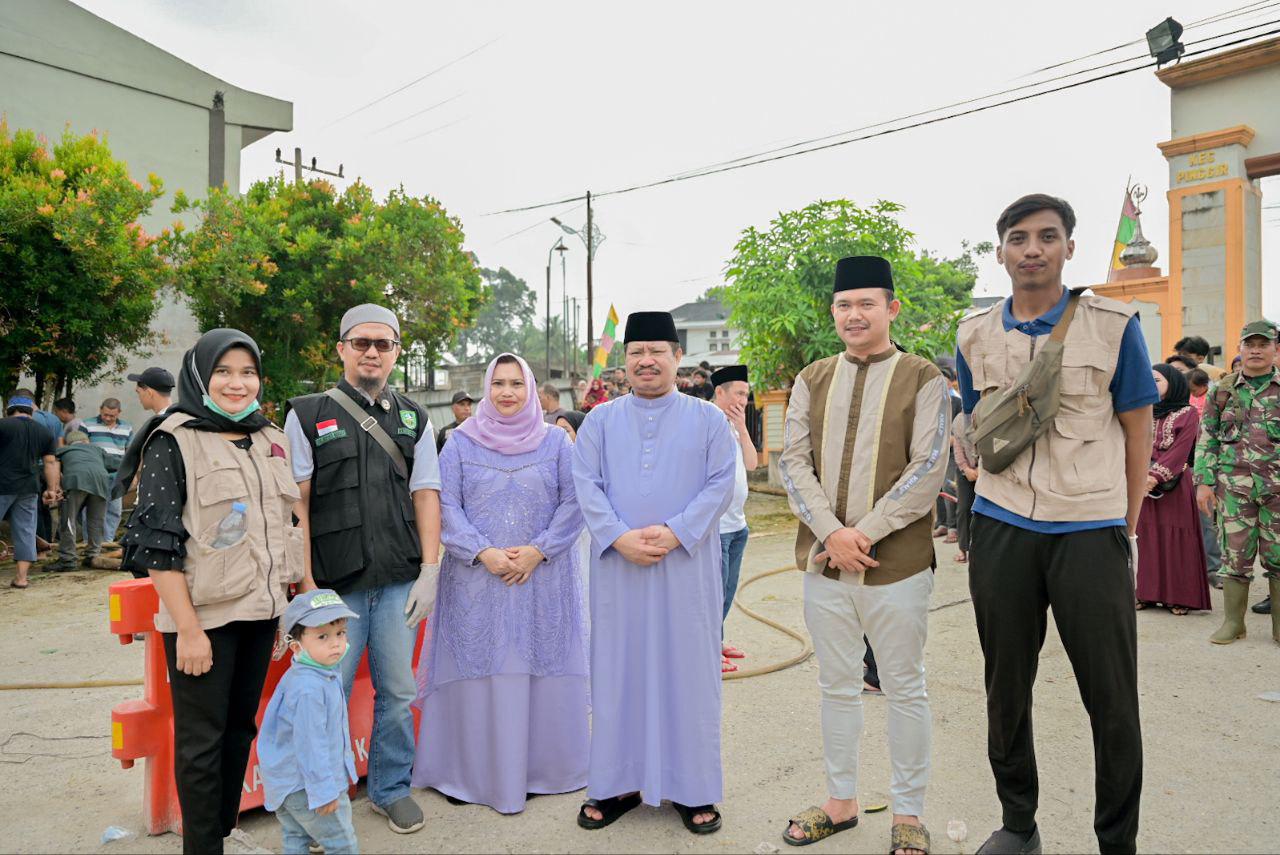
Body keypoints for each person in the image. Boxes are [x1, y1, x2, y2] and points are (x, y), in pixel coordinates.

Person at [955, 194, 1156, 855]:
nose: (1032, 248)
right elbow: (974, 419)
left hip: (1089, 527)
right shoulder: (974, 333)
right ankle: (1018, 823)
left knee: (1112, 696)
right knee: (1004, 685)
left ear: (1070, 247)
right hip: (1003, 523)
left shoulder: (1113, 323)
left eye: (1047, 236)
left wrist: (1122, 526)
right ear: (1002, 253)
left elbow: (1136, 430)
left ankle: (1116, 840)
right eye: (1019, 237)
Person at [778, 256, 948, 855]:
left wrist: (863, 533)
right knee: (837, 685)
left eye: (866, 304)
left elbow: (928, 468)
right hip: (825, 561)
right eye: (845, 305)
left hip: (895, 566)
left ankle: (909, 811)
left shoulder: (923, 376)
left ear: (891, 308)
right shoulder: (812, 377)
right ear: (834, 311)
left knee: (904, 686)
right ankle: (841, 801)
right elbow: (792, 463)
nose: (854, 314)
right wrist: (832, 534)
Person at [118, 329, 303, 854]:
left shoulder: (271, 439)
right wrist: (191, 632)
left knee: (240, 731)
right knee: (202, 744)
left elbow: (284, 524)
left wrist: (287, 607)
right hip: (202, 623)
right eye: (223, 371)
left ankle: (219, 833)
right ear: (201, 376)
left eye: (247, 372)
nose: (237, 383)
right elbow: (158, 547)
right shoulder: (172, 439)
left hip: (260, 613)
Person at [572, 311, 736, 835]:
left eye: (657, 351)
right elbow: (586, 483)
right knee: (619, 671)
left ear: (676, 356)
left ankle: (693, 789)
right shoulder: (599, 421)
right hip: (619, 568)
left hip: (685, 568)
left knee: (688, 672)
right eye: (636, 351)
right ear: (625, 361)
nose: (646, 360)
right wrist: (618, 536)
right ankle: (617, 784)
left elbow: (720, 485)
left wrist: (675, 531)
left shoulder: (709, 419)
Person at [285, 304, 441, 835]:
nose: (372, 352)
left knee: (398, 692)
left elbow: (426, 494)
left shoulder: (415, 418)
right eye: (361, 343)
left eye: (383, 344)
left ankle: (390, 788)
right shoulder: (306, 414)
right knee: (323, 694)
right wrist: (306, 584)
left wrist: (430, 569)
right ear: (341, 349)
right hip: (333, 588)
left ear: (397, 351)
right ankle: (319, 799)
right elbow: (297, 503)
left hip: (398, 580)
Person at [413, 353, 588, 813]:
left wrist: (539, 549)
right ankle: (467, 773)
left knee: (537, 668)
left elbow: (575, 502)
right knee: (480, 672)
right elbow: (444, 504)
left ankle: (540, 772)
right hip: (475, 581)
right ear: (486, 389)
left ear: (531, 389)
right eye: (498, 384)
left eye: (516, 384)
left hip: (542, 578)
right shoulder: (458, 443)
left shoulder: (555, 443)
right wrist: (482, 551)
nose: (507, 393)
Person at [1195, 320, 1280, 645]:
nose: (1256, 350)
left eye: (1263, 344)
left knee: (1278, 557)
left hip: (1277, 491)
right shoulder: (1223, 390)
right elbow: (1208, 438)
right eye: (1249, 344)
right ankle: (1234, 623)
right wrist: (1203, 481)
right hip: (1234, 490)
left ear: (1275, 349)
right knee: (1235, 557)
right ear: (1240, 349)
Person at [258, 589, 360, 855]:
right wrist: (324, 791)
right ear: (296, 646)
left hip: (287, 783)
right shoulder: (309, 689)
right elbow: (311, 743)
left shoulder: (319, 672)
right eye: (323, 636)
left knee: (296, 836)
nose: (336, 643)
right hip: (308, 785)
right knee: (342, 843)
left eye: (340, 633)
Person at [1135, 364, 1210, 615]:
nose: (1151, 384)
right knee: (1145, 539)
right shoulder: (1142, 410)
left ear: (1173, 383)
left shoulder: (1188, 413)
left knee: (1176, 539)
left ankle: (1180, 597)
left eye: (1156, 380)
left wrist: (1154, 476)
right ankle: (1145, 593)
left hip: (1173, 485)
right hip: (1140, 483)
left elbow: (1180, 450)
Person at [710, 364, 757, 673]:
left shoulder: (734, 425)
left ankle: (718, 638)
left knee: (728, 589)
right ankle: (709, 649)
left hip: (738, 523)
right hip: (716, 526)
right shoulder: (707, 422)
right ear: (720, 392)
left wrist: (742, 428)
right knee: (714, 594)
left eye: (746, 394)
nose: (743, 399)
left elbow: (752, 464)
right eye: (739, 393)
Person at [0, 395, 61, 589]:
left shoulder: (3, 425)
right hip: (29, 488)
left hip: (2, 485)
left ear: (9, 411)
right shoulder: (44, 431)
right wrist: (51, 490)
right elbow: (51, 462)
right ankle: (22, 578)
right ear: (31, 412)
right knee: (25, 531)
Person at [50, 430, 110, 571]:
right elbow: (116, 464)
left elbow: (51, 465)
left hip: (76, 480)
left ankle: (68, 559)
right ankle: (93, 555)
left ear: (68, 442)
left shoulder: (63, 450)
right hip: (101, 481)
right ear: (86, 441)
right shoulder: (98, 449)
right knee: (96, 520)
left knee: (68, 520)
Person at [83, 398, 133, 541]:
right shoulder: (87, 424)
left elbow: (130, 452)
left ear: (119, 413)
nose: (108, 418)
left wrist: (132, 474)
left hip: (117, 474)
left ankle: (107, 542)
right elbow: (81, 447)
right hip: (94, 474)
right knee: (91, 509)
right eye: (105, 414)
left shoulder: (127, 427)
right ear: (100, 409)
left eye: (112, 416)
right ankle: (90, 542)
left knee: (114, 510)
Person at [952, 410, 979, 564]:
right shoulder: (958, 420)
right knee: (963, 508)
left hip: (986, 468)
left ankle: (981, 549)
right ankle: (963, 549)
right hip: (965, 470)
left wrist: (981, 468)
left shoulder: (985, 411)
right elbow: (958, 447)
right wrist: (965, 469)